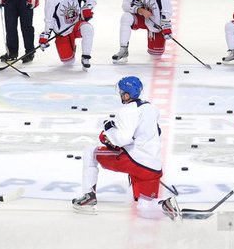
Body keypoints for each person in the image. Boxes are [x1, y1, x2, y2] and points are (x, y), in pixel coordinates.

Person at [71, 76, 181, 221]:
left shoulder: (126, 111)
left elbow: (122, 140)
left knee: (90, 152)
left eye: (122, 92)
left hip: (134, 162)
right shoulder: (151, 108)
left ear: (127, 94)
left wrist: (108, 129)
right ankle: (164, 205)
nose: (120, 94)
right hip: (153, 167)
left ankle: (88, 197)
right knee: (144, 207)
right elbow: (157, 132)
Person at [112, 0, 173, 64]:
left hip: (156, 23)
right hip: (141, 18)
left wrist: (165, 25)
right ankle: (123, 49)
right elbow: (125, 5)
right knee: (126, 17)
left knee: (155, 56)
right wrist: (140, 10)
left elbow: (167, 8)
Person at [39, 0, 97, 68]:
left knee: (88, 28)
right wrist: (46, 33)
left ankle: (85, 57)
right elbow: (49, 19)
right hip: (62, 32)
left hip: (76, 25)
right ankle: (71, 47)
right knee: (68, 62)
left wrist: (87, 8)